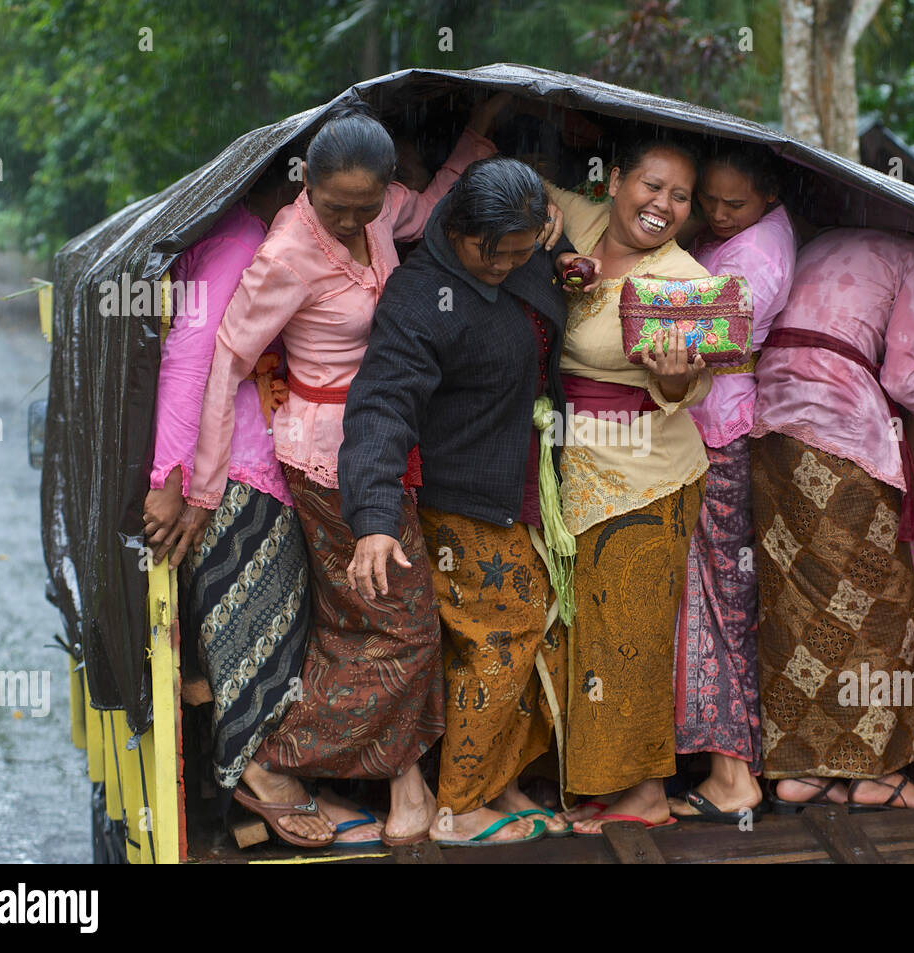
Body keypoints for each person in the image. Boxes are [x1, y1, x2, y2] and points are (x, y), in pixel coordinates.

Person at [175, 97, 503, 847]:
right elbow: (226, 360)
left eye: (363, 206)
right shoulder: (287, 251)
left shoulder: (381, 209)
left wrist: (480, 139)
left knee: (366, 623)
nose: (351, 222)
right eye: (334, 206)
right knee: (408, 625)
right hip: (327, 460)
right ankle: (268, 755)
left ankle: (404, 790)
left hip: (386, 445)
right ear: (306, 184)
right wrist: (204, 483)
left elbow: (425, 210)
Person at [339, 156, 586, 845]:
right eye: (494, 252)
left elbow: (547, 278)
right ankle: (459, 806)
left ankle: (500, 782)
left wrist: (559, 250)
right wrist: (373, 520)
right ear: (456, 227)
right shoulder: (422, 297)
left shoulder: (528, 249)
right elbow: (381, 406)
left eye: (521, 249)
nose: (508, 263)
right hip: (463, 496)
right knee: (501, 638)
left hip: (525, 483)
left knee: (540, 631)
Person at [750, 227, 914, 810]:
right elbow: (905, 379)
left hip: (769, 433)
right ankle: (875, 775)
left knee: (796, 607)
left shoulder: (819, 239)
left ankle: (802, 770)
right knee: (886, 607)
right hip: (841, 436)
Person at [544, 138, 714, 834]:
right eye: (651, 185)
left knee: (633, 636)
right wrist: (552, 258)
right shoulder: (579, 220)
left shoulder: (683, 280)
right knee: (584, 633)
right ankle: (601, 780)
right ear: (614, 182)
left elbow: (685, 385)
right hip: (572, 469)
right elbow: (517, 191)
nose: (662, 205)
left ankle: (645, 792)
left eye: (680, 197)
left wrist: (674, 372)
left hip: (649, 476)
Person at [142, 159, 305, 820]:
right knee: (261, 625)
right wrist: (171, 476)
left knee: (242, 629)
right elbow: (191, 353)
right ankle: (255, 773)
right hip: (236, 469)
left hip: (233, 462)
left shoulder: (237, 228)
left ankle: (241, 772)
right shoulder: (243, 243)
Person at [668, 145, 797, 822]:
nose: (717, 214)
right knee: (721, 597)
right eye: (708, 200)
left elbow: (713, 338)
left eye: (732, 203)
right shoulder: (752, 233)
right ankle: (734, 764)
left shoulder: (755, 256)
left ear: (769, 196)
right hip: (722, 422)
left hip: (718, 429)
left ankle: (731, 773)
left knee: (719, 602)